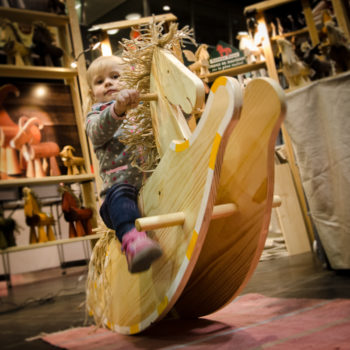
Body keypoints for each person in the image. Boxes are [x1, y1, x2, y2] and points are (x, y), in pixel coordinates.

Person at [85, 55, 162, 273]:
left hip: (150, 181)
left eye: (115, 76)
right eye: (99, 82)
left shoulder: (141, 109)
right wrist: (116, 109)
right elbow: (97, 133)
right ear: (93, 94)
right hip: (120, 189)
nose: (108, 83)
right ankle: (133, 243)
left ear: (130, 80)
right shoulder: (96, 114)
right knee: (120, 198)